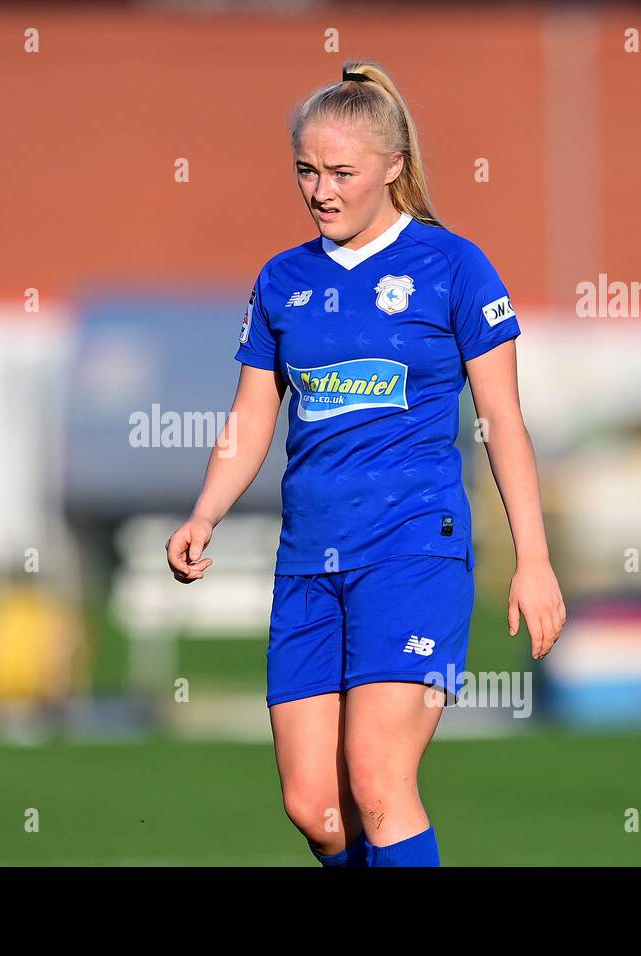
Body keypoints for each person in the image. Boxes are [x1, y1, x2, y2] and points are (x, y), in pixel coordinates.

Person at [165, 60, 566, 867]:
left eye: (341, 172)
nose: (321, 190)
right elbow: (251, 413)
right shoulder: (283, 280)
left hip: (413, 550)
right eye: (306, 171)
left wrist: (535, 559)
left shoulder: (453, 267)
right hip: (310, 559)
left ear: (394, 166)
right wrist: (204, 511)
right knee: (317, 810)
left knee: (380, 783)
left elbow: (502, 421)